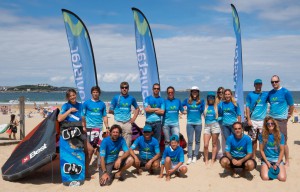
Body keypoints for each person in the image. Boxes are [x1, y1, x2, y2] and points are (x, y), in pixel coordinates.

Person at [82, 86, 109, 178]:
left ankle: (98, 165)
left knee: (99, 149)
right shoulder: (86, 103)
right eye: (93, 92)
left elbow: (104, 116)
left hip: (99, 129)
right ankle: (86, 171)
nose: (95, 93)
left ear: (99, 93)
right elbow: (83, 116)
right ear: (91, 93)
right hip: (90, 129)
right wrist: (83, 126)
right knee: (89, 151)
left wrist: (107, 127)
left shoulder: (102, 104)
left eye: (97, 92)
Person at [267, 75, 294, 166]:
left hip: (282, 120)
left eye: (276, 81)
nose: (274, 83)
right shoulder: (270, 93)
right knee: (273, 139)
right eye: (272, 82)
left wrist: (288, 116)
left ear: (279, 81)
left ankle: (287, 160)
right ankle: (275, 157)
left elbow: (292, 105)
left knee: (283, 140)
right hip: (271, 120)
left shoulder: (285, 92)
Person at [109, 82, 140, 147]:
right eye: (122, 87)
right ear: (120, 89)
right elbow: (110, 110)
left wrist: (133, 119)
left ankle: (126, 154)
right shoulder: (116, 98)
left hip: (127, 122)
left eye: (126, 87)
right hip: (118, 122)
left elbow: (137, 108)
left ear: (128, 89)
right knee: (115, 138)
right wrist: (117, 114)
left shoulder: (131, 98)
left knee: (128, 141)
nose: (124, 89)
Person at [245, 79, 268, 159]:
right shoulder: (250, 95)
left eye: (260, 84)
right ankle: (253, 156)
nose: (258, 86)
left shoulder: (265, 94)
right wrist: (248, 119)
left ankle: (263, 156)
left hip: (262, 121)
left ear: (262, 85)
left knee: (263, 139)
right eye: (257, 84)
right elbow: (247, 107)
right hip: (253, 120)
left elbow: (273, 101)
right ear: (254, 85)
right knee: (253, 139)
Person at [182, 86, 204, 164]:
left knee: (197, 141)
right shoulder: (187, 100)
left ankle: (195, 156)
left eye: (196, 91)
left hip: (198, 123)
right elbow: (180, 105)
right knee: (190, 141)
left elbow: (204, 110)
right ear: (191, 92)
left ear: (198, 92)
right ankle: (190, 157)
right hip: (189, 123)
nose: (195, 92)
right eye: (193, 91)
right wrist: (183, 111)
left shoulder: (201, 101)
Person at [259, 116, 286, 181]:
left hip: (277, 159)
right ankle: (265, 168)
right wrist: (267, 163)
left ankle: (278, 168)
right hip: (267, 159)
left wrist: (277, 163)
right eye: (268, 124)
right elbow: (261, 150)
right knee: (265, 178)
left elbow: (282, 150)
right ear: (266, 125)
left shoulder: (280, 135)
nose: (270, 125)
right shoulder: (262, 135)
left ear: (275, 124)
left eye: (272, 123)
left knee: (282, 178)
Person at [203, 92, 220, 165]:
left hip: (215, 126)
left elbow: (222, 114)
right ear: (207, 98)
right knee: (206, 145)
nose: (211, 99)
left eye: (212, 97)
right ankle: (206, 159)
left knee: (214, 144)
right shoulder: (205, 106)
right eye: (209, 97)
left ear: (214, 98)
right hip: (207, 126)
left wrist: (219, 118)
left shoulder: (217, 106)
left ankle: (213, 159)